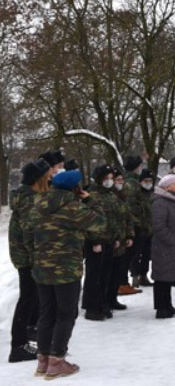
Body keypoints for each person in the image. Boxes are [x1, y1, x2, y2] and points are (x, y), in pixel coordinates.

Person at [32, 168, 108, 378]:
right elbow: (101, 223)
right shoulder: (74, 208)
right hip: (66, 270)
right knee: (66, 314)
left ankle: (43, 361)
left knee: (46, 313)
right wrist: (91, 200)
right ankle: (57, 361)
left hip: (41, 267)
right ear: (75, 187)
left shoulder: (37, 205)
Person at [7, 158, 50, 363]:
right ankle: (18, 346)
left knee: (29, 299)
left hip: (27, 258)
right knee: (27, 300)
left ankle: (22, 341)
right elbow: (29, 235)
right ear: (37, 179)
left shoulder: (29, 197)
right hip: (29, 259)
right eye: (46, 177)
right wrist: (38, 261)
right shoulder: (29, 200)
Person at [81, 165, 120, 321]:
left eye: (111, 178)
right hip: (95, 242)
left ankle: (103, 304)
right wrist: (94, 240)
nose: (109, 181)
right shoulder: (91, 195)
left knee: (105, 275)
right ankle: (91, 307)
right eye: (106, 178)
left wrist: (117, 237)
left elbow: (115, 218)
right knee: (94, 276)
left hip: (109, 240)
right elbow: (89, 219)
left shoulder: (111, 195)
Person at [150, 175, 175, 319]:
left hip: (172, 246)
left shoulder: (174, 200)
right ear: (167, 187)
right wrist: (173, 241)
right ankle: (161, 308)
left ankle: (168, 305)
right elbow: (159, 226)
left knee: (168, 276)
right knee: (162, 277)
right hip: (164, 246)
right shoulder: (160, 202)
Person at [108, 170, 136, 308]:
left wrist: (130, 234)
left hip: (122, 238)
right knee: (109, 272)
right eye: (117, 180)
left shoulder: (123, 196)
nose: (120, 183)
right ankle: (106, 299)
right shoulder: (109, 196)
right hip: (112, 239)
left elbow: (128, 217)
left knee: (117, 271)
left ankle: (113, 299)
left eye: (121, 180)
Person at [130, 169, 156, 287]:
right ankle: (134, 276)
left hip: (151, 229)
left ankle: (143, 275)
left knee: (147, 254)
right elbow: (132, 211)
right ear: (140, 181)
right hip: (139, 229)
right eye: (146, 181)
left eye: (150, 181)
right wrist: (138, 224)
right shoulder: (135, 194)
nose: (148, 183)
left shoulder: (153, 194)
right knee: (136, 254)